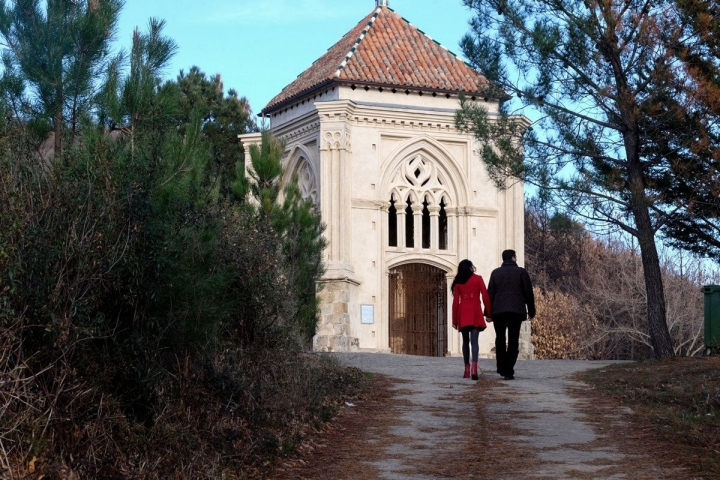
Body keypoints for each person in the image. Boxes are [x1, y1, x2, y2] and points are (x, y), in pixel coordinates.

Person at [487, 249, 535, 380]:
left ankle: (501, 367)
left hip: (499, 311)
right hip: (516, 310)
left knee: (500, 339)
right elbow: (528, 293)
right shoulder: (521, 272)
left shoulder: (495, 273)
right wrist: (531, 311)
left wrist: (488, 313)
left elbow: (490, 294)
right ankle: (509, 369)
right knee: (513, 340)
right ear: (513, 258)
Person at [451, 259, 492, 380]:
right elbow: (485, 296)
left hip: (463, 312)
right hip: (475, 310)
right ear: (470, 267)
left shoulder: (458, 282)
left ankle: (466, 369)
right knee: (474, 341)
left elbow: (455, 304)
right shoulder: (478, 278)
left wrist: (454, 320)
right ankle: (475, 368)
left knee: (465, 342)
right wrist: (489, 313)